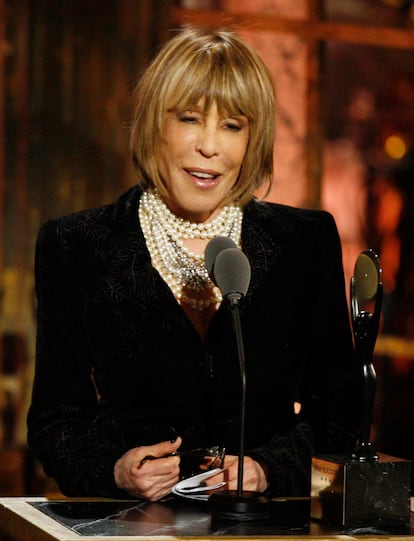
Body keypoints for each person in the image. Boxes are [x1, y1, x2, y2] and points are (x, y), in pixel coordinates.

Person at [27, 27, 358, 502]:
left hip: (270, 530)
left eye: (232, 125)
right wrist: (115, 470)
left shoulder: (303, 242)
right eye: (189, 119)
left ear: (252, 139)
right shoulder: (76, 244)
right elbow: (55, 420)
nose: (209, 146)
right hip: (132, 532)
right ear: (153, 125)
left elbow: (340, 415)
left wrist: (268, 471)